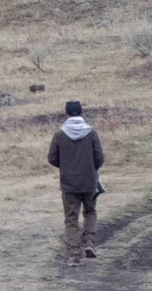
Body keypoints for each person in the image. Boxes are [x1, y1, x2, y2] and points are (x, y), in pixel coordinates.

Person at [48, 99, 104, 266]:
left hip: (68, 184)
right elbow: (100, 158)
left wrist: (65, 166)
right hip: (89, 182)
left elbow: (51, 158)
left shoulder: (59, 135)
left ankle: (74, 254)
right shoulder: (92, 133)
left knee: (71, 218)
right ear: (81, 113)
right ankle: (89, 243)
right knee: (90, 212)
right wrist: (92, 169)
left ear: (66, 114)